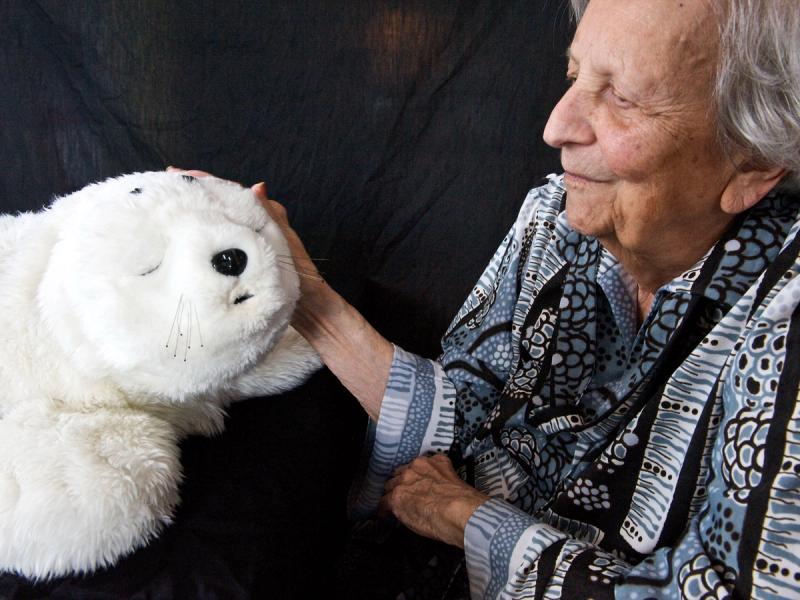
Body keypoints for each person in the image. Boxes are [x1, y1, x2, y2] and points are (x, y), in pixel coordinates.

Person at [180, 0, 800, 597]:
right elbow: (467, 414)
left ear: (752, 163)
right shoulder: (553, 220)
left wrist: (466, 518)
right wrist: (307, 296)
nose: (556, 126)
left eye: (621, 97)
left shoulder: (784, 309)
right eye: (576, 75)